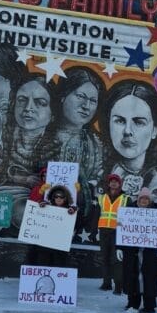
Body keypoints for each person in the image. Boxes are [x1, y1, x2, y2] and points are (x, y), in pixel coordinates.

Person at [41, 67, 104, 220]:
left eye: (93, 101)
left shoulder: (96, 144)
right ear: (63, 96)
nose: (86, 106)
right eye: (80, 96)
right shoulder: (42, 134)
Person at [101, 80, 157, 197]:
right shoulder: (98, 174)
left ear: (154, 130)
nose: (127, 131)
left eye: (139, 122)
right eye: (120, 121)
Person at [5, 77, 54, 189]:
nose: (28, 108)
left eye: (40, 103)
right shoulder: (4, 139)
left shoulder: (56, 147)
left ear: (53, 114)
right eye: (22, 100)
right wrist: (23, 179)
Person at [122, 187, 157, 313]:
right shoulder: (129, 211)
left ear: (150, 201)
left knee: (148, 277)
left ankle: (149, 305)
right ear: (138, 199)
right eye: (142, 198)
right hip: (133, 251)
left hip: (148, 252)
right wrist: (119, 247)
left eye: (146, 199)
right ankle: (133, 302)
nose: (144, 201)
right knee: (133, 276)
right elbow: (121, 229)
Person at [28, 183, 77, 267]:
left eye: (61, 197)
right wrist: (40, 205)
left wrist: (73, 211)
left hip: (60, 247)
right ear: (52, 197)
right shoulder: (46, 206)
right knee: (43, 263)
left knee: (58, 265)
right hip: (44, 246)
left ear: (66, 198)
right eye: (56, 196)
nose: (58, 199)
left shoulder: (70, 210)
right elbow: (35, 213)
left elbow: (77, 222)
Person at [97, 173, 129, 293]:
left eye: (116, 181)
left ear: (119, 184)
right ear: (109, 184)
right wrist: (94, 230)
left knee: (116, 259)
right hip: (104, 230)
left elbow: (130, 217)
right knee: (104, 258)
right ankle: (106, 283)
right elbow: (96, 214)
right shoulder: (102, 197)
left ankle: (118, 286)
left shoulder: (126, 198)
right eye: (111, 181)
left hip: (118, 232)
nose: (113, 183)